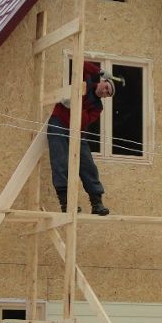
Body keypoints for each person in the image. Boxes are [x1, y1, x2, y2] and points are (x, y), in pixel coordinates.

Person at [47, 60, 112, 215]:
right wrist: (100, 71)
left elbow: (85, 121)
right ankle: (66, 203)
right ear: (102, 82)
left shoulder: (97, 107)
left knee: (88, 165)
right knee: (60, 162)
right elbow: (80, 64)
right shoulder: (85, 81)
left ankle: (97, 204)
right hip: (59, 122)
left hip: (77, 130)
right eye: (106, 87)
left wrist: (75, 104)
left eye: (107, 94)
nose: (104, 92)